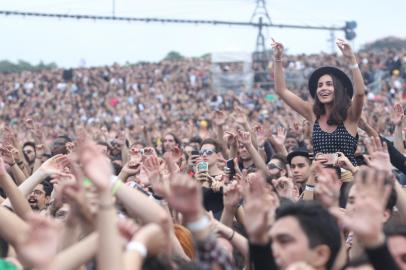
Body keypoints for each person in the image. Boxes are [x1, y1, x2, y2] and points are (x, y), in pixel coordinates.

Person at [271, 38, 366, 166]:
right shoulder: (312, 113)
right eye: (320, 85)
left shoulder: (350, 115)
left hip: (347, 180)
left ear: (338, 89)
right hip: (319, 180)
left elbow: (360, 94)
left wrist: (352, 60)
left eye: (329, 84)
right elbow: (281, 91)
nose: (323, 88)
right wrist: (278, 59)